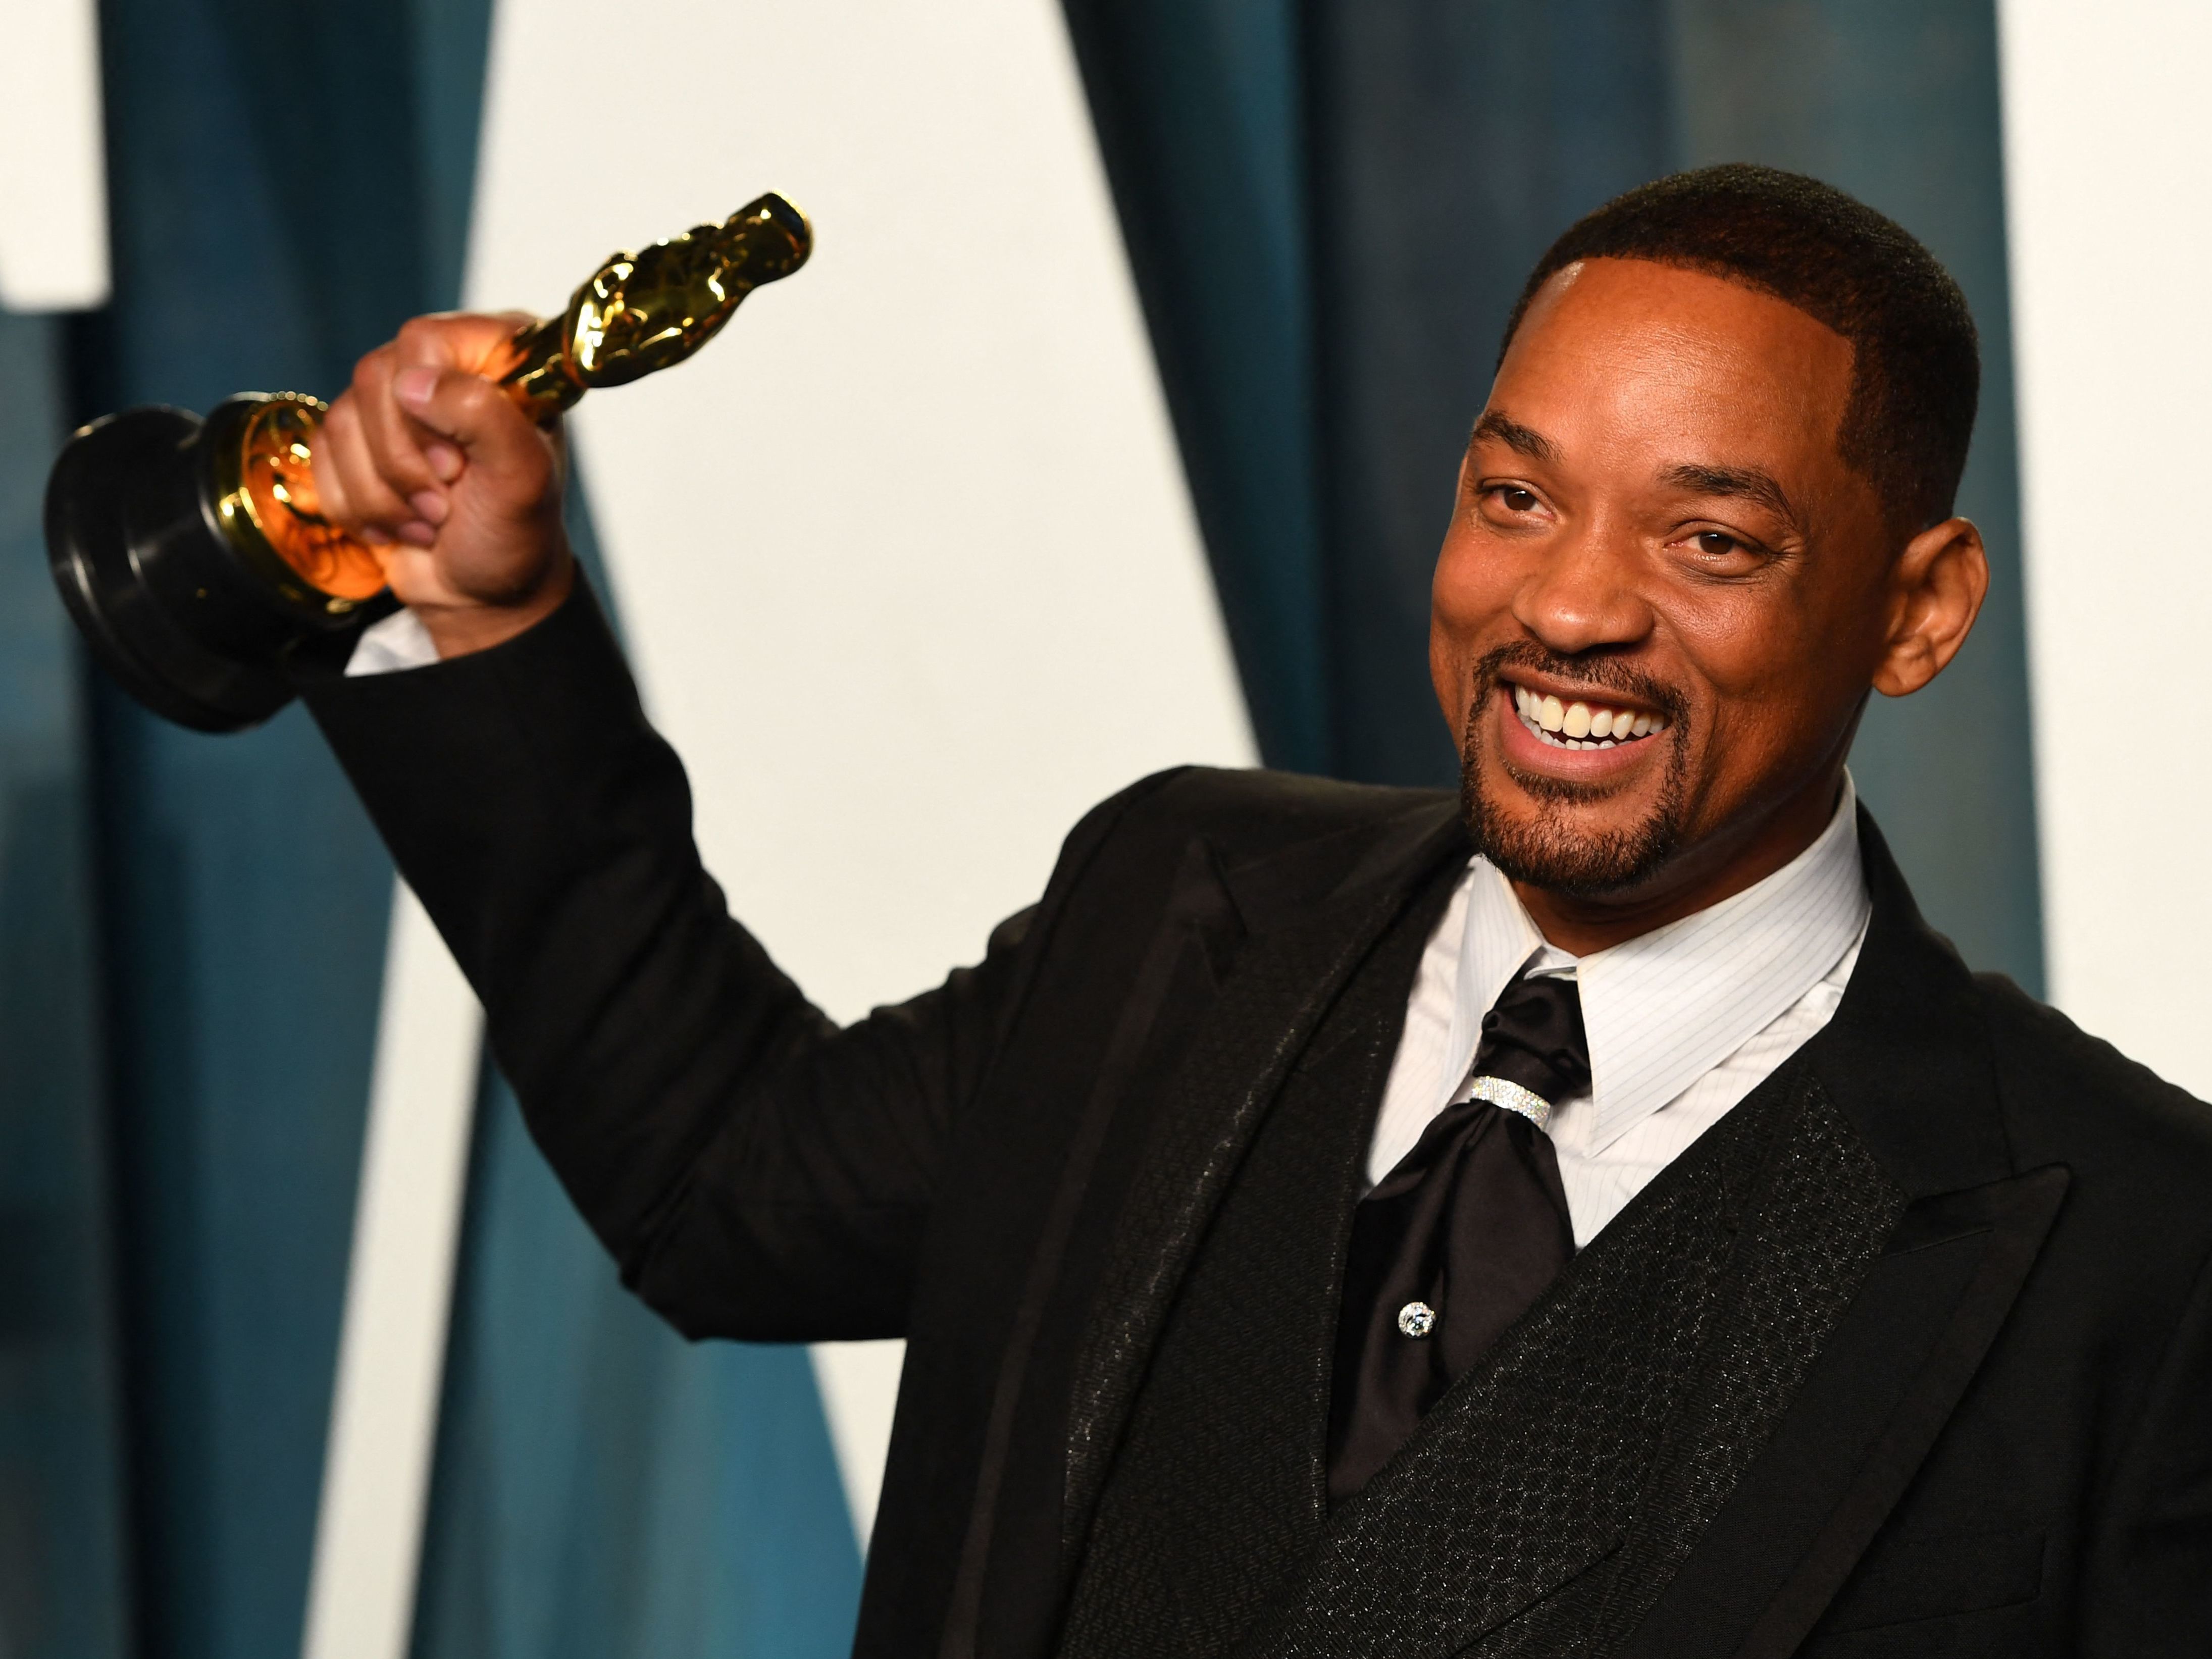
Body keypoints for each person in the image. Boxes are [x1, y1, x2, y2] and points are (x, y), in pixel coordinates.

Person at [301, 165, 2212, 1657]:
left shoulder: (2133, 1249)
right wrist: (486, 622)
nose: (1567, 608)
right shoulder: (1177, 910)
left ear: (1920, 608)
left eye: (1708, 540)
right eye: (1516, 496)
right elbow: (722, 1189)